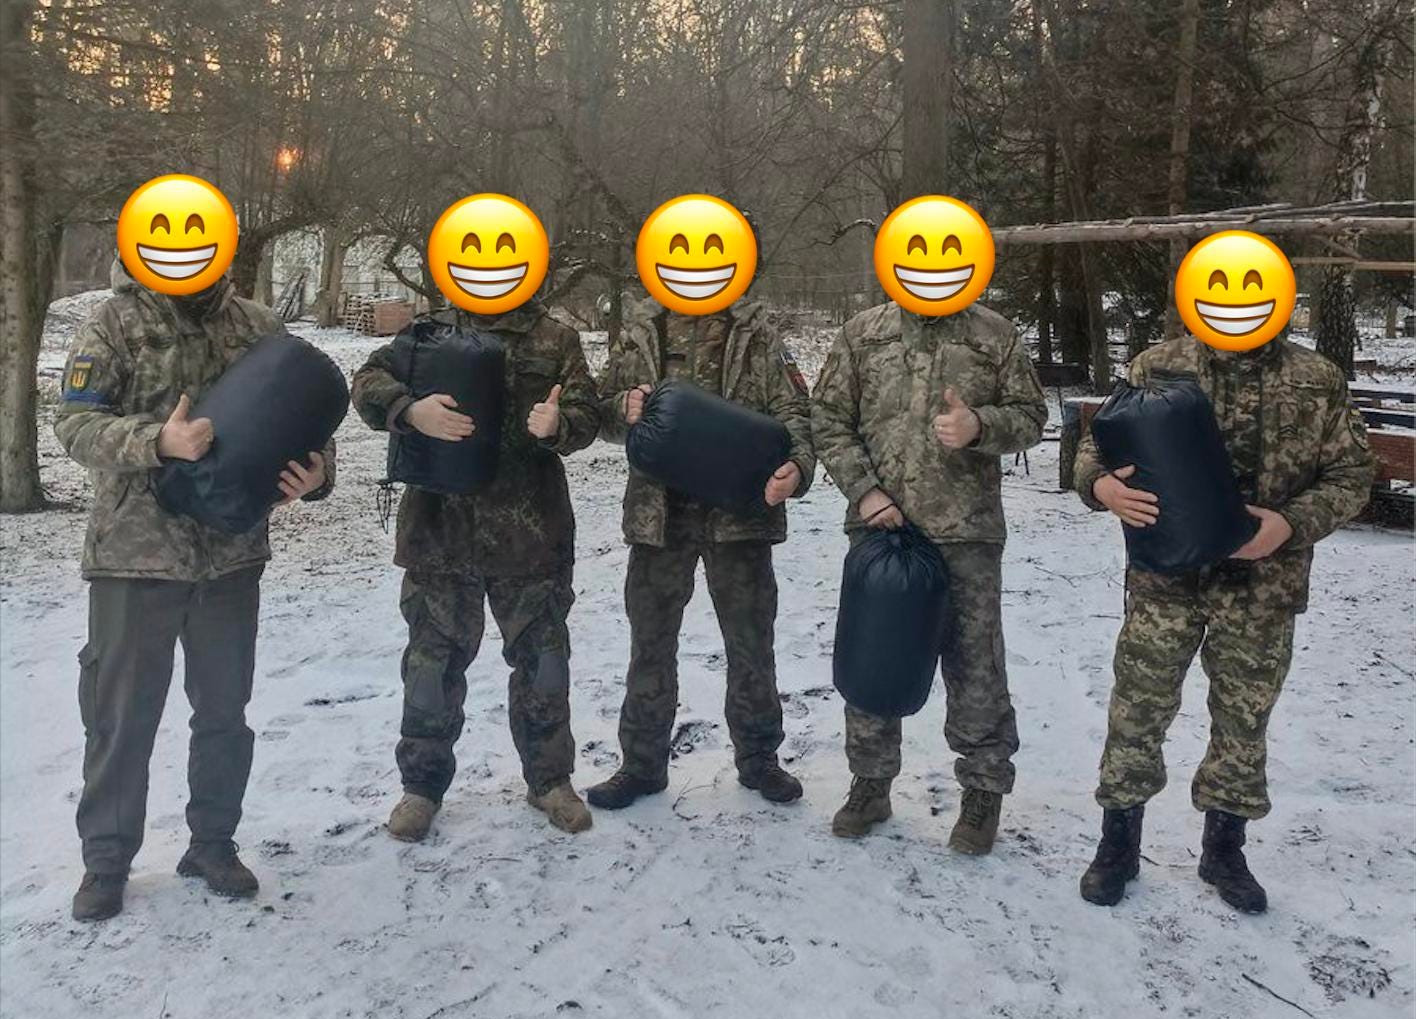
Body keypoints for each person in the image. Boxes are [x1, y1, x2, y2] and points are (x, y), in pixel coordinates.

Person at [56, 258, 334, 922]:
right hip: (135, 555)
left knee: (223, 714)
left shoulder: (260, 327)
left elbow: (305, 428)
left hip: (230, 560)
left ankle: (212, 844)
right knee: (122, 718)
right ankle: (107, 860)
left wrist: (317, 476)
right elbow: (74, 426)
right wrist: (159, 440)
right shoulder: (114, 322)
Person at [1073, 332, 1374, 912]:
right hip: (1166, 582)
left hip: (1264, 586)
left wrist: (1288, 525)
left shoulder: (1316, 377)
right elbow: (1096, 447)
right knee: (1138, 710)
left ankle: (1225, 850)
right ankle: (1118, 844)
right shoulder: (1158, 364)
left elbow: (1351, 475)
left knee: (1243, 719)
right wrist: (1101, 486)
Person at [352, 297, 600, 839]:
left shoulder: (555, 338)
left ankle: (550, 781)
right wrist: (409, 409)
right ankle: (421, 787)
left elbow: (588, 416)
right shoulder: (426, 333)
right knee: (430, 668)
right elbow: (366, 380)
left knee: (544, 665)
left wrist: (560, 424)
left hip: (531, 533)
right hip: (440, 532)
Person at [811, 302, 1046, 850]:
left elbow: (1032, 417)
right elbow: (827, 417)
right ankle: (870, 781)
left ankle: (983, 791)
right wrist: (865, 490)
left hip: (968, 531)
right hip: (881, 526)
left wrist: (979, 425)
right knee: (875, 655)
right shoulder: (862, 333)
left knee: (976, 662)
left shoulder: (995, 334)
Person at [588, 296, 815, 809]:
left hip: (741, 517)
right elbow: (598, 412)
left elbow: (796, 413)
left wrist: (798, 467)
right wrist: (621, 408)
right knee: (649, 644)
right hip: (658, 517)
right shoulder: (640, 332)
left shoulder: (757, 332)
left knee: (751, 644)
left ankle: (760, 760)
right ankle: (642, 766)